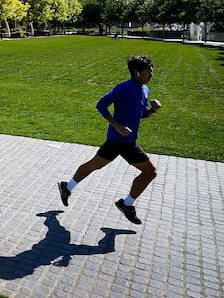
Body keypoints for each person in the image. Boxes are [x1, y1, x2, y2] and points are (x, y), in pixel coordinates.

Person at [58, 55, 162, 224]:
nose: (152, 75)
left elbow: (141, 114)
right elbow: (101, 104)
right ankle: (127, 204)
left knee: (95, 164)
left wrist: (153, 110)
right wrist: (117, 126)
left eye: (152, 71)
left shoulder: (145, 90)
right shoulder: (123, 88)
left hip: (124, 141)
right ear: (137, 73)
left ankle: (67, 187)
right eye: (148, 71)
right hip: (119, 140)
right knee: (150, 171)